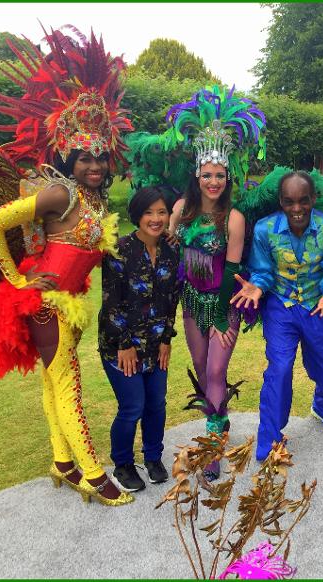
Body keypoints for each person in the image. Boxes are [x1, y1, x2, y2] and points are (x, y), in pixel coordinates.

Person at [0, 27, 135, 506]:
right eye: (84, 157)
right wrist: (15, 277)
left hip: (65, 303)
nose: (93, 164)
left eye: (99, 157)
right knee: (67, 384)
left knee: (54, 382)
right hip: (45, 302)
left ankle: (62, 461)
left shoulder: (91, 196)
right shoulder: (61, 192)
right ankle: (93, 475)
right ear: (69, 156)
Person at [165, 86, 264, 480]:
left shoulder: (234, 218)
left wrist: (223, 315)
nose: (213, 182)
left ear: (228, 176)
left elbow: (232, 268)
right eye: (207, 175)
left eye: (220, 175)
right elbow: (170, 250)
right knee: (201, 366)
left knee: (216, 373)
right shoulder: (179, 211)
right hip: (190, 302)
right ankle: (219, 421)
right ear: (197, 174)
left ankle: (212, 447)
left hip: (223, 303)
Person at [231, 171, 323, 462]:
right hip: (280, 308)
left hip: (317, 307)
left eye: (303, 201)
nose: (297, 209)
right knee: (280, 369)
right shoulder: (264, 229)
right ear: (281, 202)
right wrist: (258, 286)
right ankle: (270, 438)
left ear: (313, 199)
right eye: (289, 202)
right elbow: (262, 271)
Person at [99, 187, 180, 492]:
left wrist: (167, 339)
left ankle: (153, 457)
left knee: (156, 404)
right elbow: (111, 303)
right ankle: (122, 464)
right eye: (149, 212)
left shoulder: (173, 252)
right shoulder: (119, 250)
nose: (156, 218)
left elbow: (172, 299)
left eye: (162, 212)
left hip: (156, 343)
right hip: (122, 347)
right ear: (137, 215)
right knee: (132, 406)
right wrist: (124, 345)